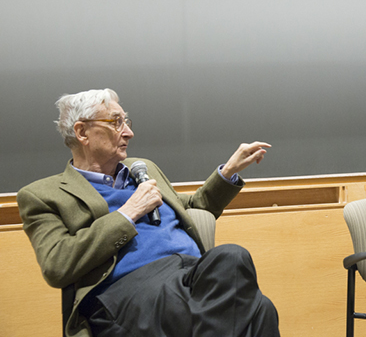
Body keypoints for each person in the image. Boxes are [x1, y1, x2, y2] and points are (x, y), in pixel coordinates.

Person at [17, 88, 279, 337]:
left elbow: (193, 208)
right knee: (258, 311)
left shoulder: (143, 169)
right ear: (82, 132)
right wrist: (128, 213)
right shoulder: (43, 195)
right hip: (127, 291)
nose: (129, 132)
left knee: (234, 261)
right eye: (116, 122)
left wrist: (228, 171)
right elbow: (57, 265)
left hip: (194, 274)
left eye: (127, 121)